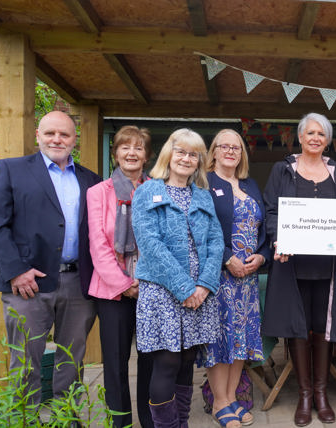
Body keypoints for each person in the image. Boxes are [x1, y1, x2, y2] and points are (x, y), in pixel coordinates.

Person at [0, 111, 101, 408]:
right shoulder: (12, 170)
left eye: (64, 134)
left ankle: (66, 418)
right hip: (27, 283)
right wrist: (16, 271)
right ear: (38, 135)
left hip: (77, 283)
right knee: (24, 361)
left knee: (71, 361)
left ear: (75, 139)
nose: (57, 139)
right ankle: (25, 419)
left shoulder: (90, 179)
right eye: (50, 133)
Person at [262, 113, 336, 427]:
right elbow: (271, 210)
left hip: (330, 264)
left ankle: (322, 393)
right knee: (298, 327)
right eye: (310, 133)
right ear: (300, 137)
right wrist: (279, 240)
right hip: (292, 264)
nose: (315, 138)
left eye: (321, 134)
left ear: (327, 140)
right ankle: (304, 394)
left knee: (323, 325)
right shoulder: (283, 169)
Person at [131, 129, 224, 427]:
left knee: (187, 362)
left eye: (192, 154)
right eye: (180, 151)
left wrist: (204, 286)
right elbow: (151, 245)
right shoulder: (148, 191)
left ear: (199, 162)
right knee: (167, 362)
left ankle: (181, 423)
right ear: (168, 156)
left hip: (199, 295)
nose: (186, 158)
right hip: (163, 292)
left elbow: (216, 243)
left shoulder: (203, 196)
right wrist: (185, 288)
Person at [201, 129, 270, 426]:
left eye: (236, 147)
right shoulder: (203, 183)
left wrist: (262, 255)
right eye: (224, 146)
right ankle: (219, 402)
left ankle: (231, 397)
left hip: (248, 278)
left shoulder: (250, 184)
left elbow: (263, 228)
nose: (230, 151)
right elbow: (202, 229)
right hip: (221, 277)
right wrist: (228, 257)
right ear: (214, 151)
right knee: (219, 340)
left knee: (241, 339)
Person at [87, 125, 154, 428]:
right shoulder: (98, 192)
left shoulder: (156, 189)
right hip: (113, 291)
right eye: (125, 147)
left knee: (151, 359)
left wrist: (148, 281)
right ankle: (120, 422)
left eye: (138, 148)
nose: (131, 153)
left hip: (152, 289)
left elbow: (162, 239)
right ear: (115, 153)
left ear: (146, 156)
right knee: (115, 362)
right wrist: (125, 284)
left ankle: (151, 418)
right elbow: (99, 245)